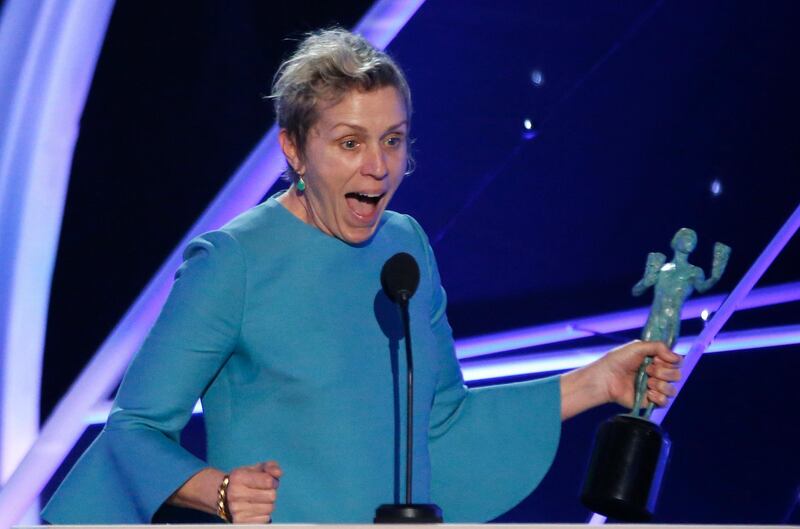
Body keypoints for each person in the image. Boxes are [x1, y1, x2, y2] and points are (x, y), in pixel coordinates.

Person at [42, 28, 681, 524]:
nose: (378, 166)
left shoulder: (406, 247)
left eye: (394, 140)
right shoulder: (232, 262)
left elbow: (440, 427)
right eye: (350, 142)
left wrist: (597, 382)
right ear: (293, 147)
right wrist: (222, 491)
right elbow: (135, 430)